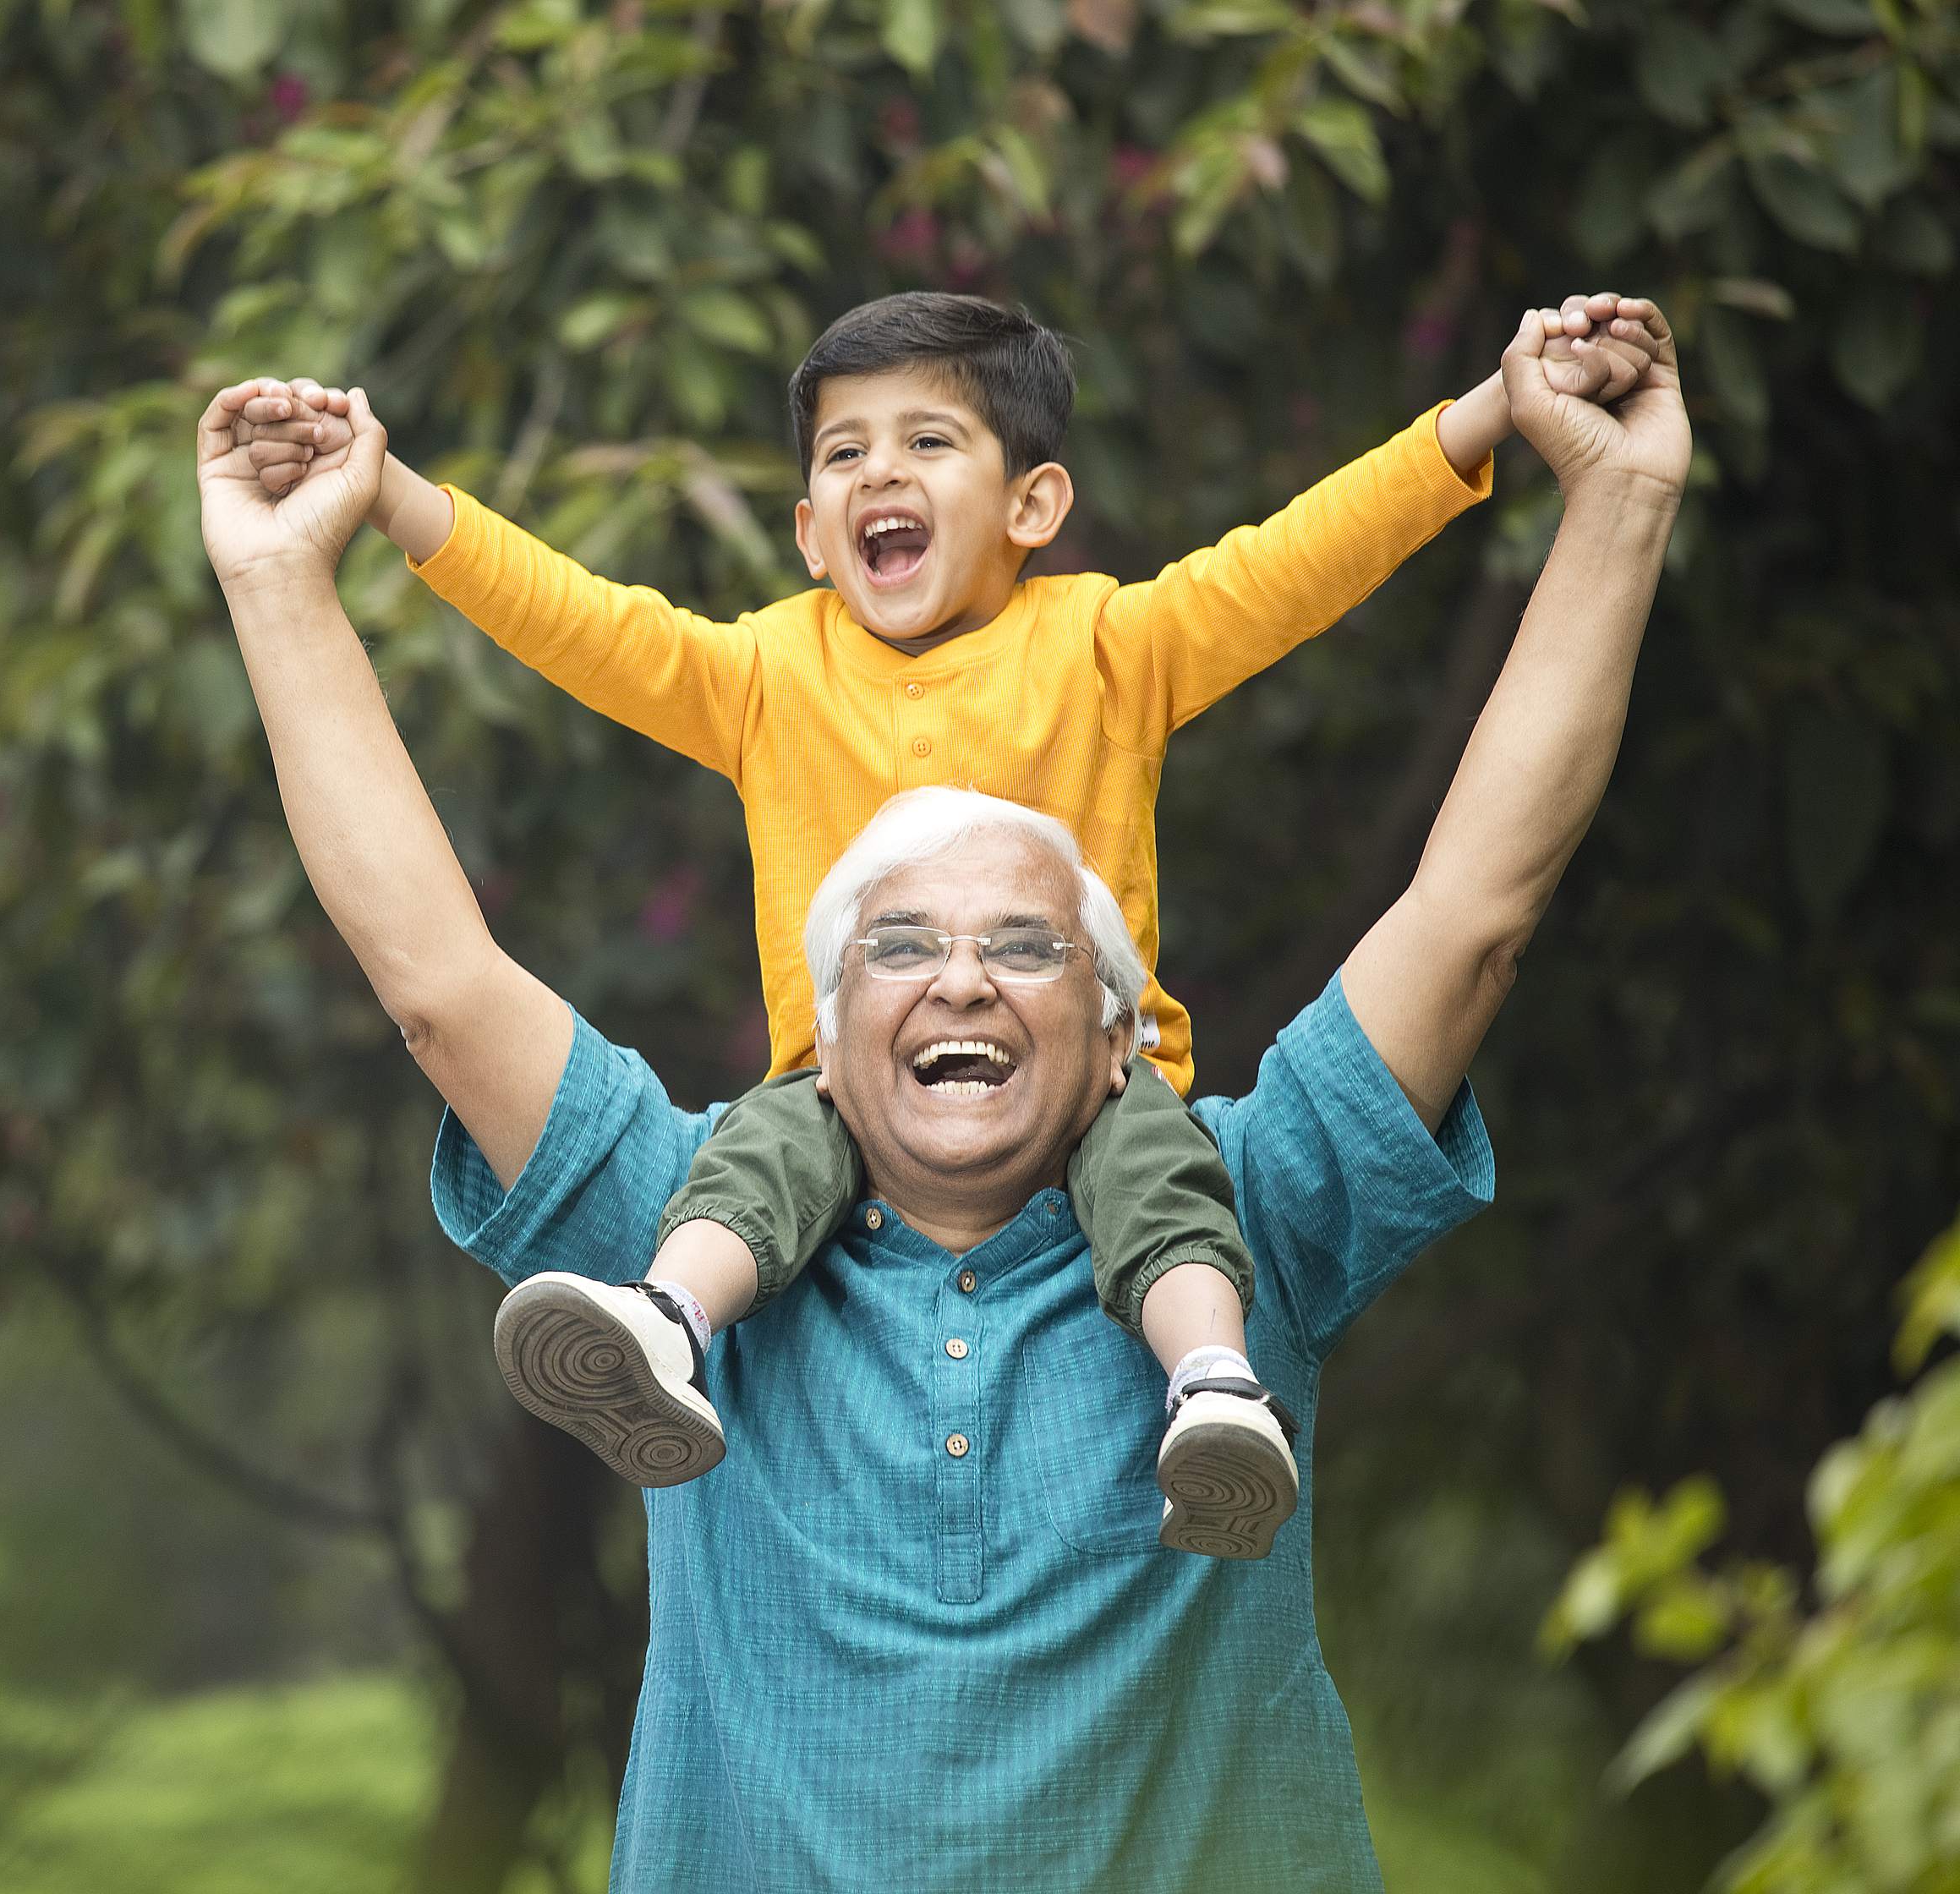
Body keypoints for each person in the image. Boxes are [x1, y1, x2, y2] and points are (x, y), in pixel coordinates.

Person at [195, 301, 1684, 1887]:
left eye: (1026, 942)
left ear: (1120, 1035)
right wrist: (282, 579)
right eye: (900, 943)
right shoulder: (687, 1208)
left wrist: (1618, 497)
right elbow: (436, 977)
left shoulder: (1251, 1217)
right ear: (825, 1037)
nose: (963, 978)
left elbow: (1473, 917)